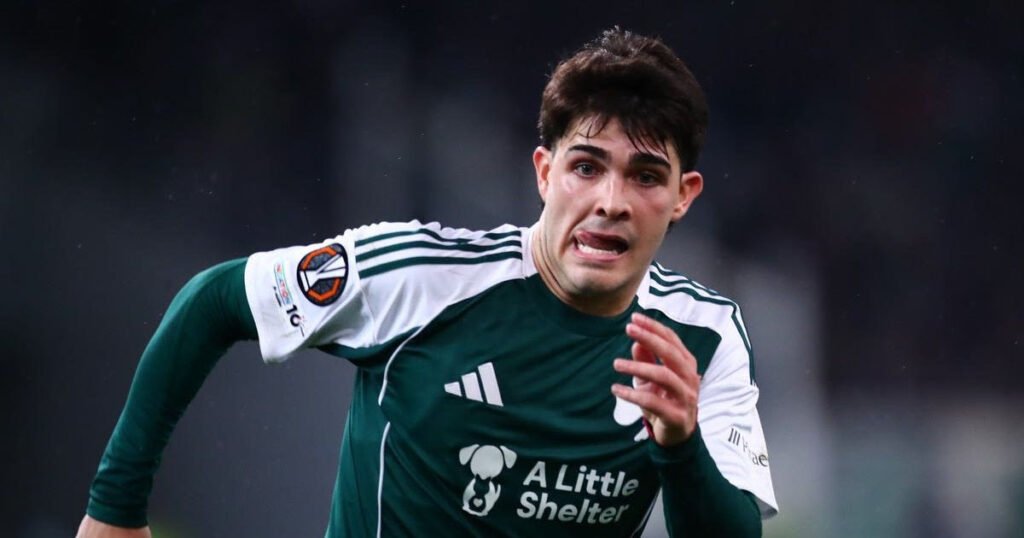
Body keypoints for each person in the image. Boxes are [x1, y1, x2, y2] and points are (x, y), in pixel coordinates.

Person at [78, 27, 778, 537]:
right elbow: (214, 301)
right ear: (544, 173)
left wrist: (680, 446)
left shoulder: (704, 338)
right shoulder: (420, 276)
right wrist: (114, 508)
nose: (611, 201)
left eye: (645, 176)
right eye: (586, 167)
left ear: (684, 196)